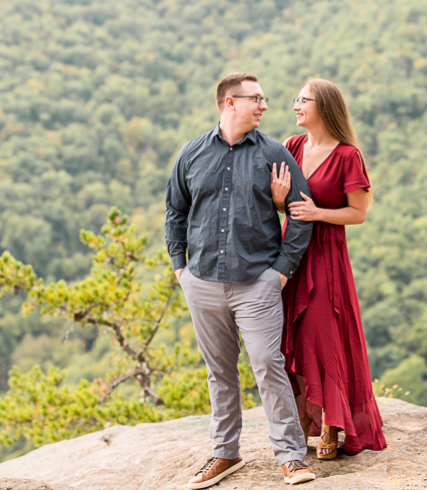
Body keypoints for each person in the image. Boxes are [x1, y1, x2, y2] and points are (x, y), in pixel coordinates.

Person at [165, 72, 318, 488]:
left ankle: (290, 455)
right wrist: (181, 268)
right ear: (230, 103)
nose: (265, 105)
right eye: (257, 98)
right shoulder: (192, 153)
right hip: (203, 281)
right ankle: (224, 453)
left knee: (268, 364)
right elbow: (175, 213)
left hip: (258, 282)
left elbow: (302, 212)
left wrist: (282, 271)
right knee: (219, 371)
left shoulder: (275, 153)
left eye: (264, 98)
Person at [270, 78, 387, 460]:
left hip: (327, 257)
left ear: (324, 106)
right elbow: (286, 206)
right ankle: (308, 421)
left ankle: (334, 426)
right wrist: (277, 201)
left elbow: (358, 213)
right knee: (295, 333)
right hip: (293, 253)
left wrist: (319, 213)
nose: (295, 105)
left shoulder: (347, 155)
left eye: (303, 99)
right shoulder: (293, 146)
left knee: (325, 337)